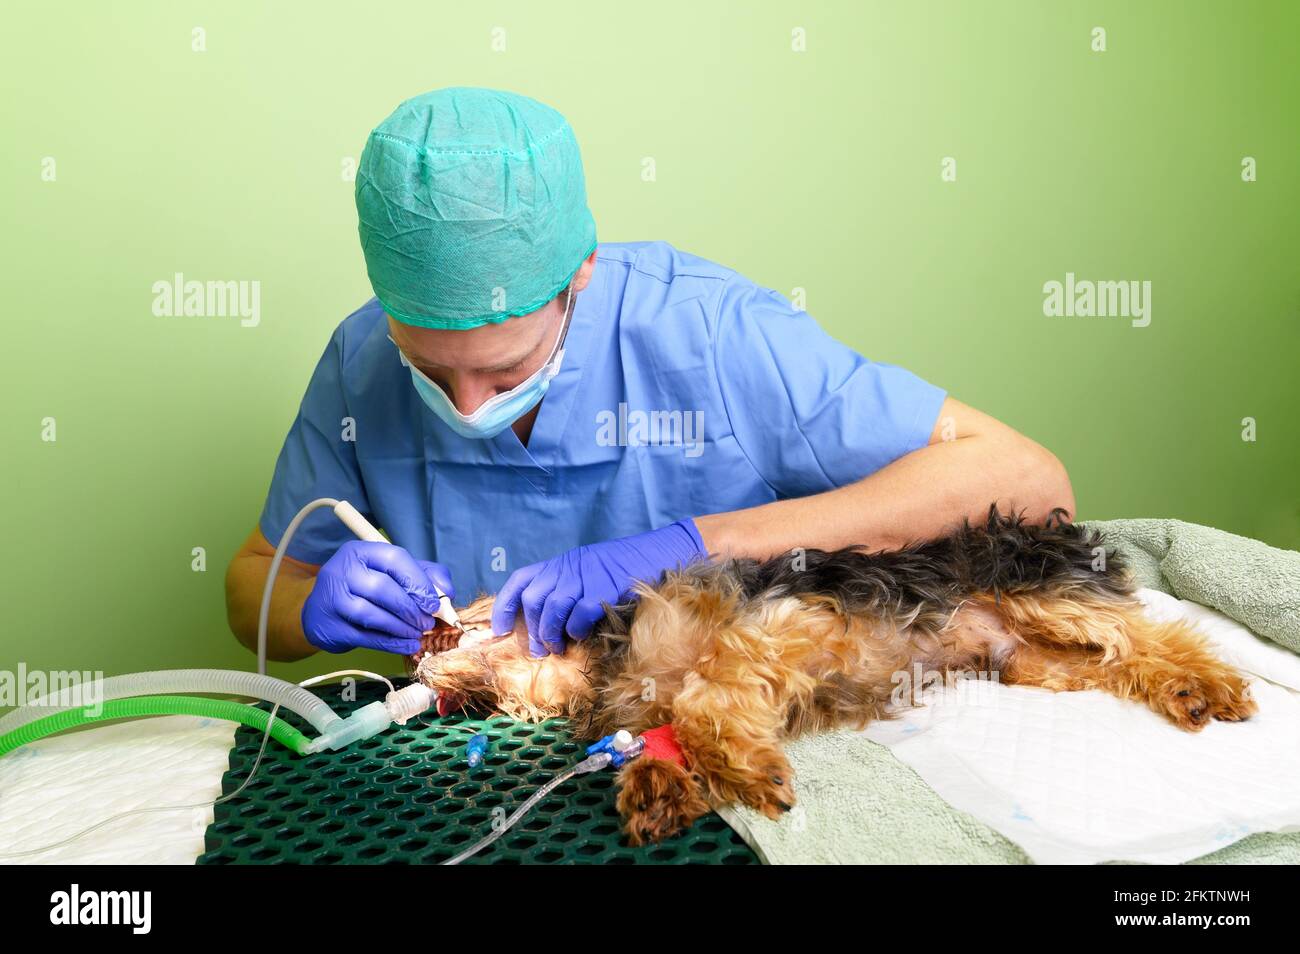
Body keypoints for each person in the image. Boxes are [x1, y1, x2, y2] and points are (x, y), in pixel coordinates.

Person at [225, 87, 1074, 662]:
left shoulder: (708, 334)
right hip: (469, 762)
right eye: (429, 367)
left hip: (709, 730)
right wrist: (306, 608)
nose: (468, 406)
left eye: (504, 366)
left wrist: (702, 543)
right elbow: (251, 584)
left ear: (580, 274)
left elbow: (1031, 482)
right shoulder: (360, 355)